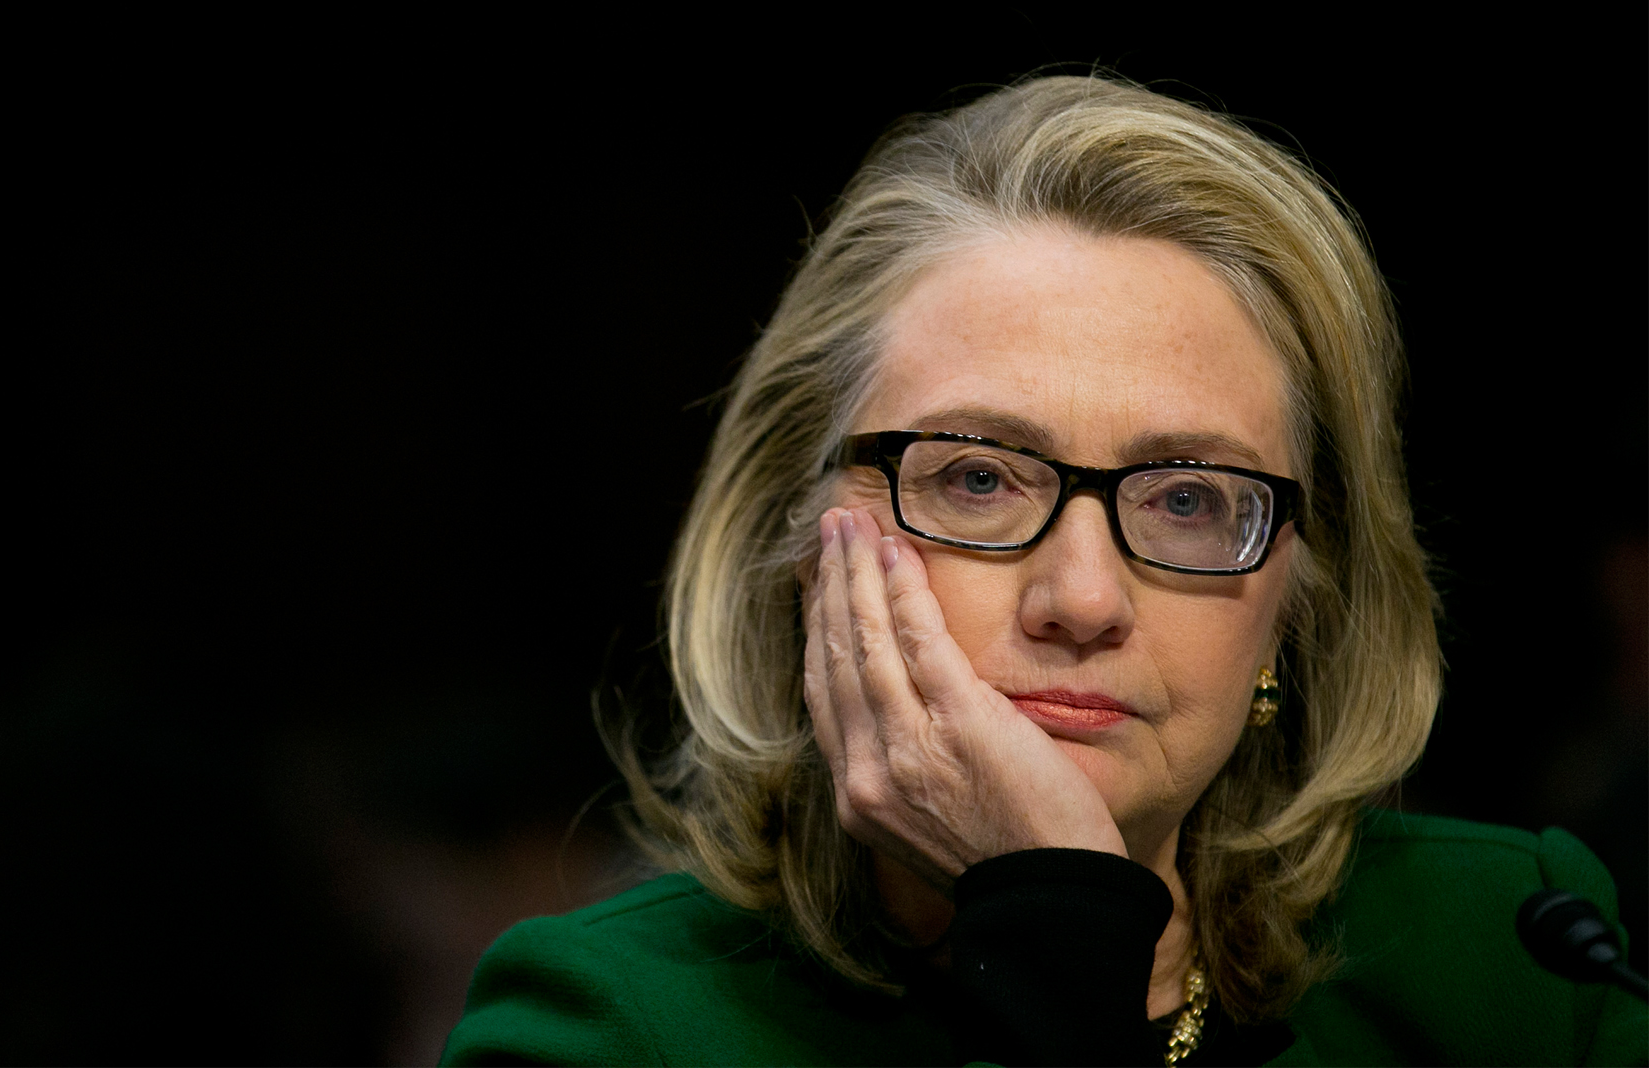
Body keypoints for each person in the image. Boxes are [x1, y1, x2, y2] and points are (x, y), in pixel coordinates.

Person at [441, 74, 1648, 1065]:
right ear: (795, 535)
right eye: (977, 478)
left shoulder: (1518, 957)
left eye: (1188, 499)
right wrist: (1056, 939)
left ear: (1297, 591)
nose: (1081, 600)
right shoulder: (609, 1028)